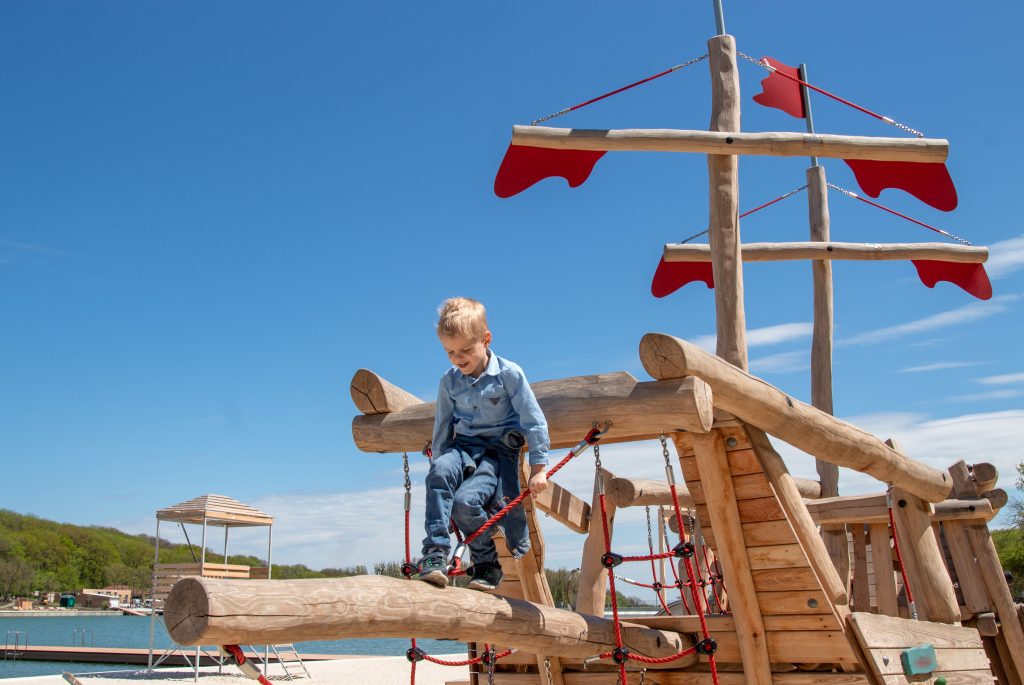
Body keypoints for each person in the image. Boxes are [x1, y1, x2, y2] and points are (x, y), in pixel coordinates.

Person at [418, 297, 550, 591]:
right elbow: (442, 428)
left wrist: (539, 468)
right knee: (439, 470)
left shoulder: (508, 375)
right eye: (450, 352)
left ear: (486, 339)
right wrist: (441, 468)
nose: (457, 358)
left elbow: (534, 421)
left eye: (465, 350)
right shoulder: (449, 382)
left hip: (496, 452)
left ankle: (486, 562)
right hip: (462, 447)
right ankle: (436, 552)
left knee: (465, 503)